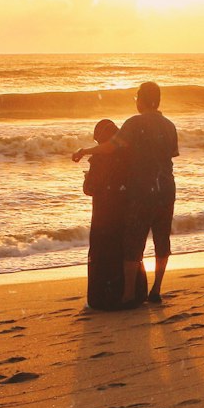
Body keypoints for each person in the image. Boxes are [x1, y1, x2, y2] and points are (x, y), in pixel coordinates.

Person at [72, 81, 178, 306]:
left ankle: (129, 294)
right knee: (162, 240)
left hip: (142, 191)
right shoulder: (169, 125)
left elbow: (111, 147)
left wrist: (85, 151)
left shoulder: (135, 123)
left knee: (133, 243)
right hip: (167, 190)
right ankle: (156, 290)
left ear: (141, 99)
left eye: (137, 97)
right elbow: (169, 156)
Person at [80, 118, 148, 310]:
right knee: (126, 250)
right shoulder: (129, 156)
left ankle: (103, 297)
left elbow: (90, 188)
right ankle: (134, 293)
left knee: (103, 251)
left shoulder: (98, 159)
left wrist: (87, 178)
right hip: (125, 211)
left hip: (104, 213)